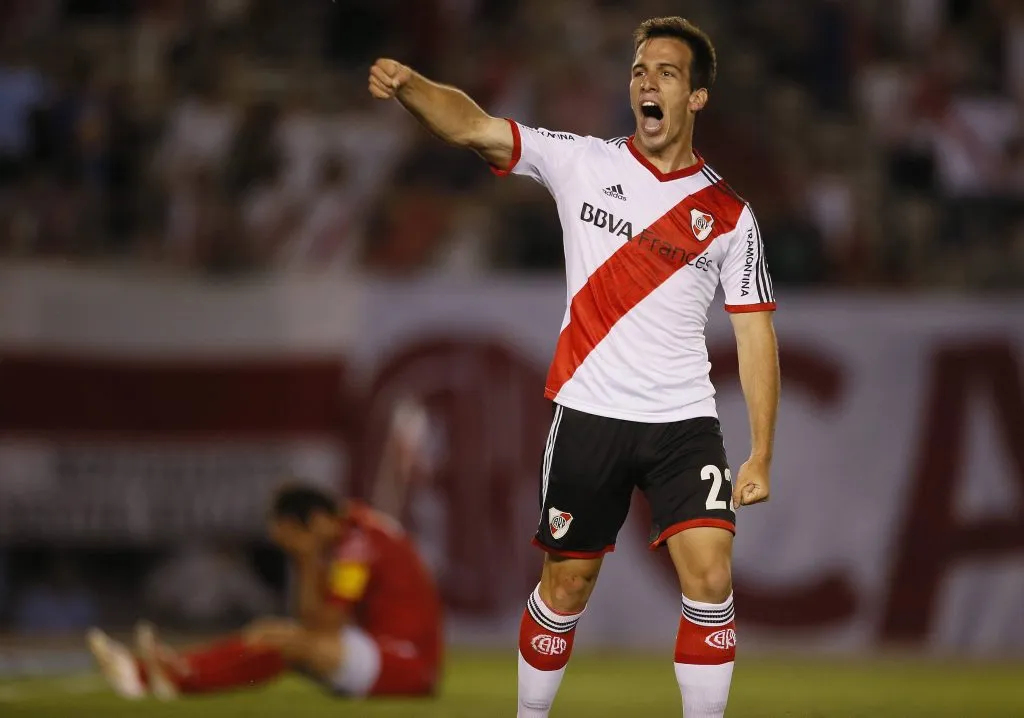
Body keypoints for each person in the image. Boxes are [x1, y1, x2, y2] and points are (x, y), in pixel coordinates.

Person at [368, 15, 779, 718]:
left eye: (667, 73)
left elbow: (756, 335)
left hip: (684, 421)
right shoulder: (582, 161)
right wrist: (412, 86)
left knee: (711, 578)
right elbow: (475, 127)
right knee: (566, 587)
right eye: (639, 70)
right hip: (589, 413)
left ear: (697, 99)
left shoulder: (730, 216)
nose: (647, 82)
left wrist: (762, 452)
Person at [87, 405, 444, 701]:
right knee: (270, 633)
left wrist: (304, 561)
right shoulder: (352, 537)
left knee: (288, 643)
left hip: (406, 662)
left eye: (291, 539)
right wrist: (306, 561)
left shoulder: (358, 545)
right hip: (381, 652)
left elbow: (321, 625)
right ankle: (165, 670)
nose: (291, 548)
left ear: (316, 520)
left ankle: (173, 676)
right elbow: (313, 622)